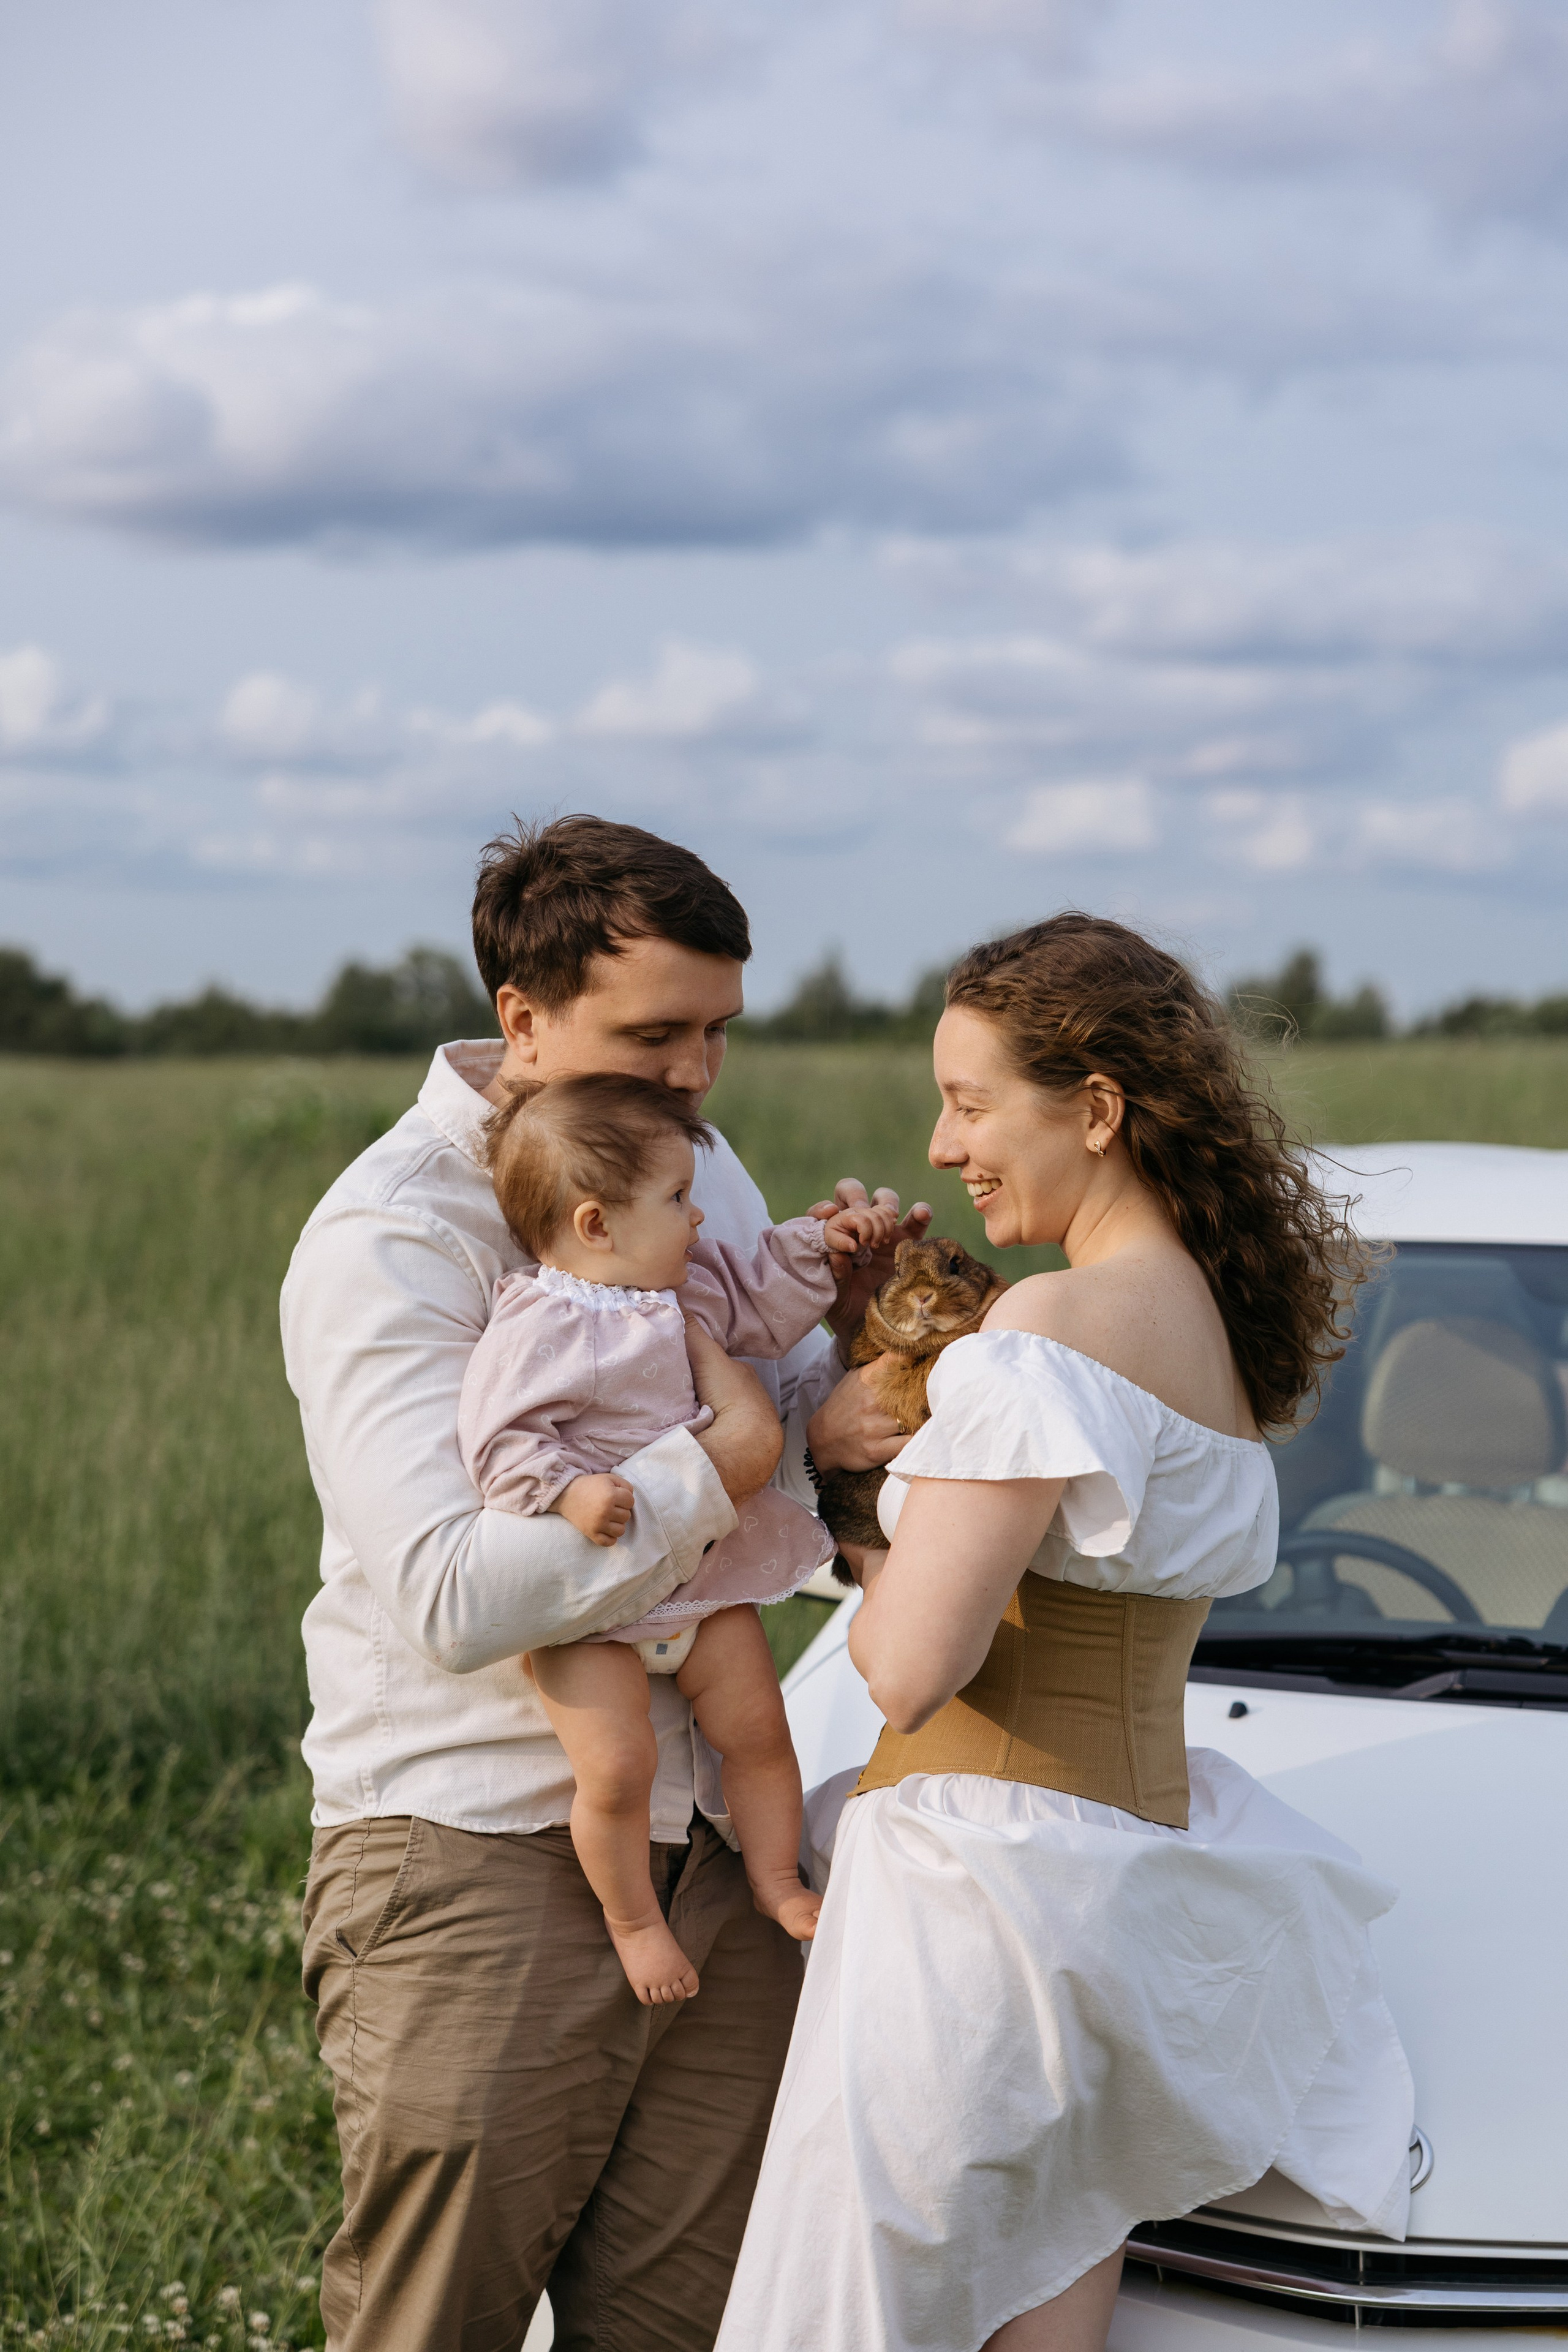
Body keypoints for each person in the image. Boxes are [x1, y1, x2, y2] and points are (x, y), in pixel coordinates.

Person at [718, 913, 1416, 2352]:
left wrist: (857, 1511)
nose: (938, 1144)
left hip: (977, 1914)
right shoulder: (1207, 1335)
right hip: (1123, 1906)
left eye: (970, 1102)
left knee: (848, 2319)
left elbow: (911, 1665)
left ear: (1093, 1109)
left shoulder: (1049, 1329)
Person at [283, 812, 928, 2352]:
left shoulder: (686, 1157)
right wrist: (740, 1460)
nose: (700, 1075)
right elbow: (452, 1592)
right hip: (475, 1856)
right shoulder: (391, 1238)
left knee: (690, 2328)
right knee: (437, 2323)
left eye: (718, 1031)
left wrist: (850, 1348)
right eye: (659, 1034)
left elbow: (763, 1423)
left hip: (713, 1841)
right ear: (522, 1019)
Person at [458, 1069, 898, 2002]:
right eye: (677, 1200)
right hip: (596, 1614)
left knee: (759, 1730)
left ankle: (778, 1881)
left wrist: (822, 1245)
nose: (698, 1222)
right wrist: (570, 1494)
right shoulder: (539, 1320)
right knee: (616, 1766)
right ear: (595, 1225)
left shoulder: (684, 1289)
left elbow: (764, 1299)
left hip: (703, 1580)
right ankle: (634, 1923)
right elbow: (501, 1441)